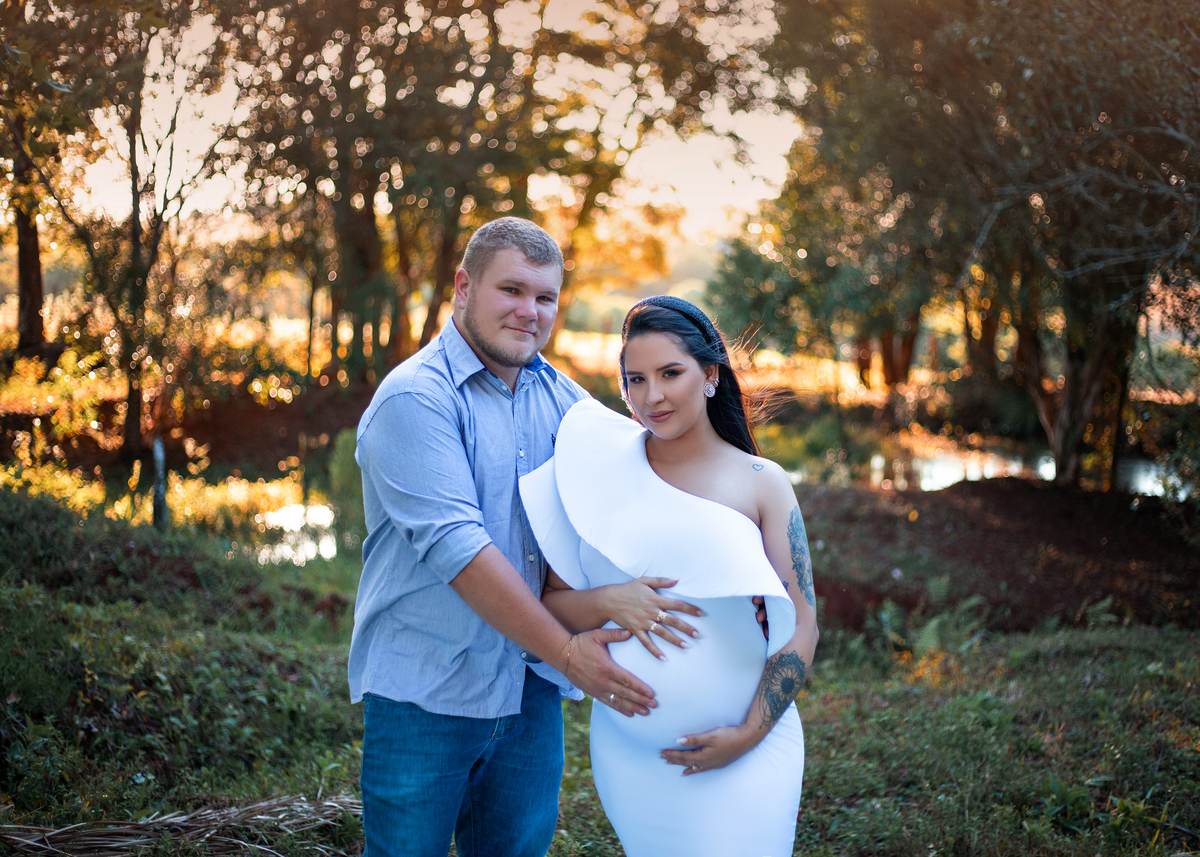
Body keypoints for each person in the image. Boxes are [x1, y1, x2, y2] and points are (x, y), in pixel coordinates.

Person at [350, 216, 658, 857]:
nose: (530, 311)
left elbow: (645, 474)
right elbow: (462, 552)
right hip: (425, 698)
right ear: (463, 286)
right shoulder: (415, 399)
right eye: (512, 291)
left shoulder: (568, 404)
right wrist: (572, 655)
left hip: (529, 698)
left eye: (545, 297)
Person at [519, 296, 819, 856]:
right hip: (634, 762)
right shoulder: (596, 471)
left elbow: (803, 626)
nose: (651, 396)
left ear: (709, 375)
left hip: (752, 751)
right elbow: (552, 604)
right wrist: (611, 598)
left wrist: (748, 735)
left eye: (670, 374)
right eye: (635, 379)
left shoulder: (761, 482)